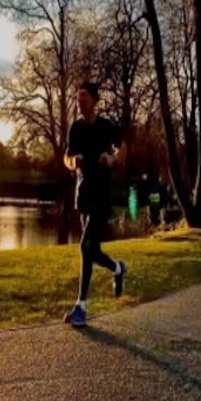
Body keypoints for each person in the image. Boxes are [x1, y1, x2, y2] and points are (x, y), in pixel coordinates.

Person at [62, 81, 127, 328]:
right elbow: (66, 158)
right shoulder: (75, 129)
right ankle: (118, 268)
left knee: (84, 246)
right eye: (77, 98)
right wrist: (73, 162)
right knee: (92, 250)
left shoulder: (106, 126)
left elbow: (123, 149)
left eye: (84, 97)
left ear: (95, 101)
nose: (80, 102)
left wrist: (111, 157)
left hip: (102, 194)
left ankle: (81, 306)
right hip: (84, 193)